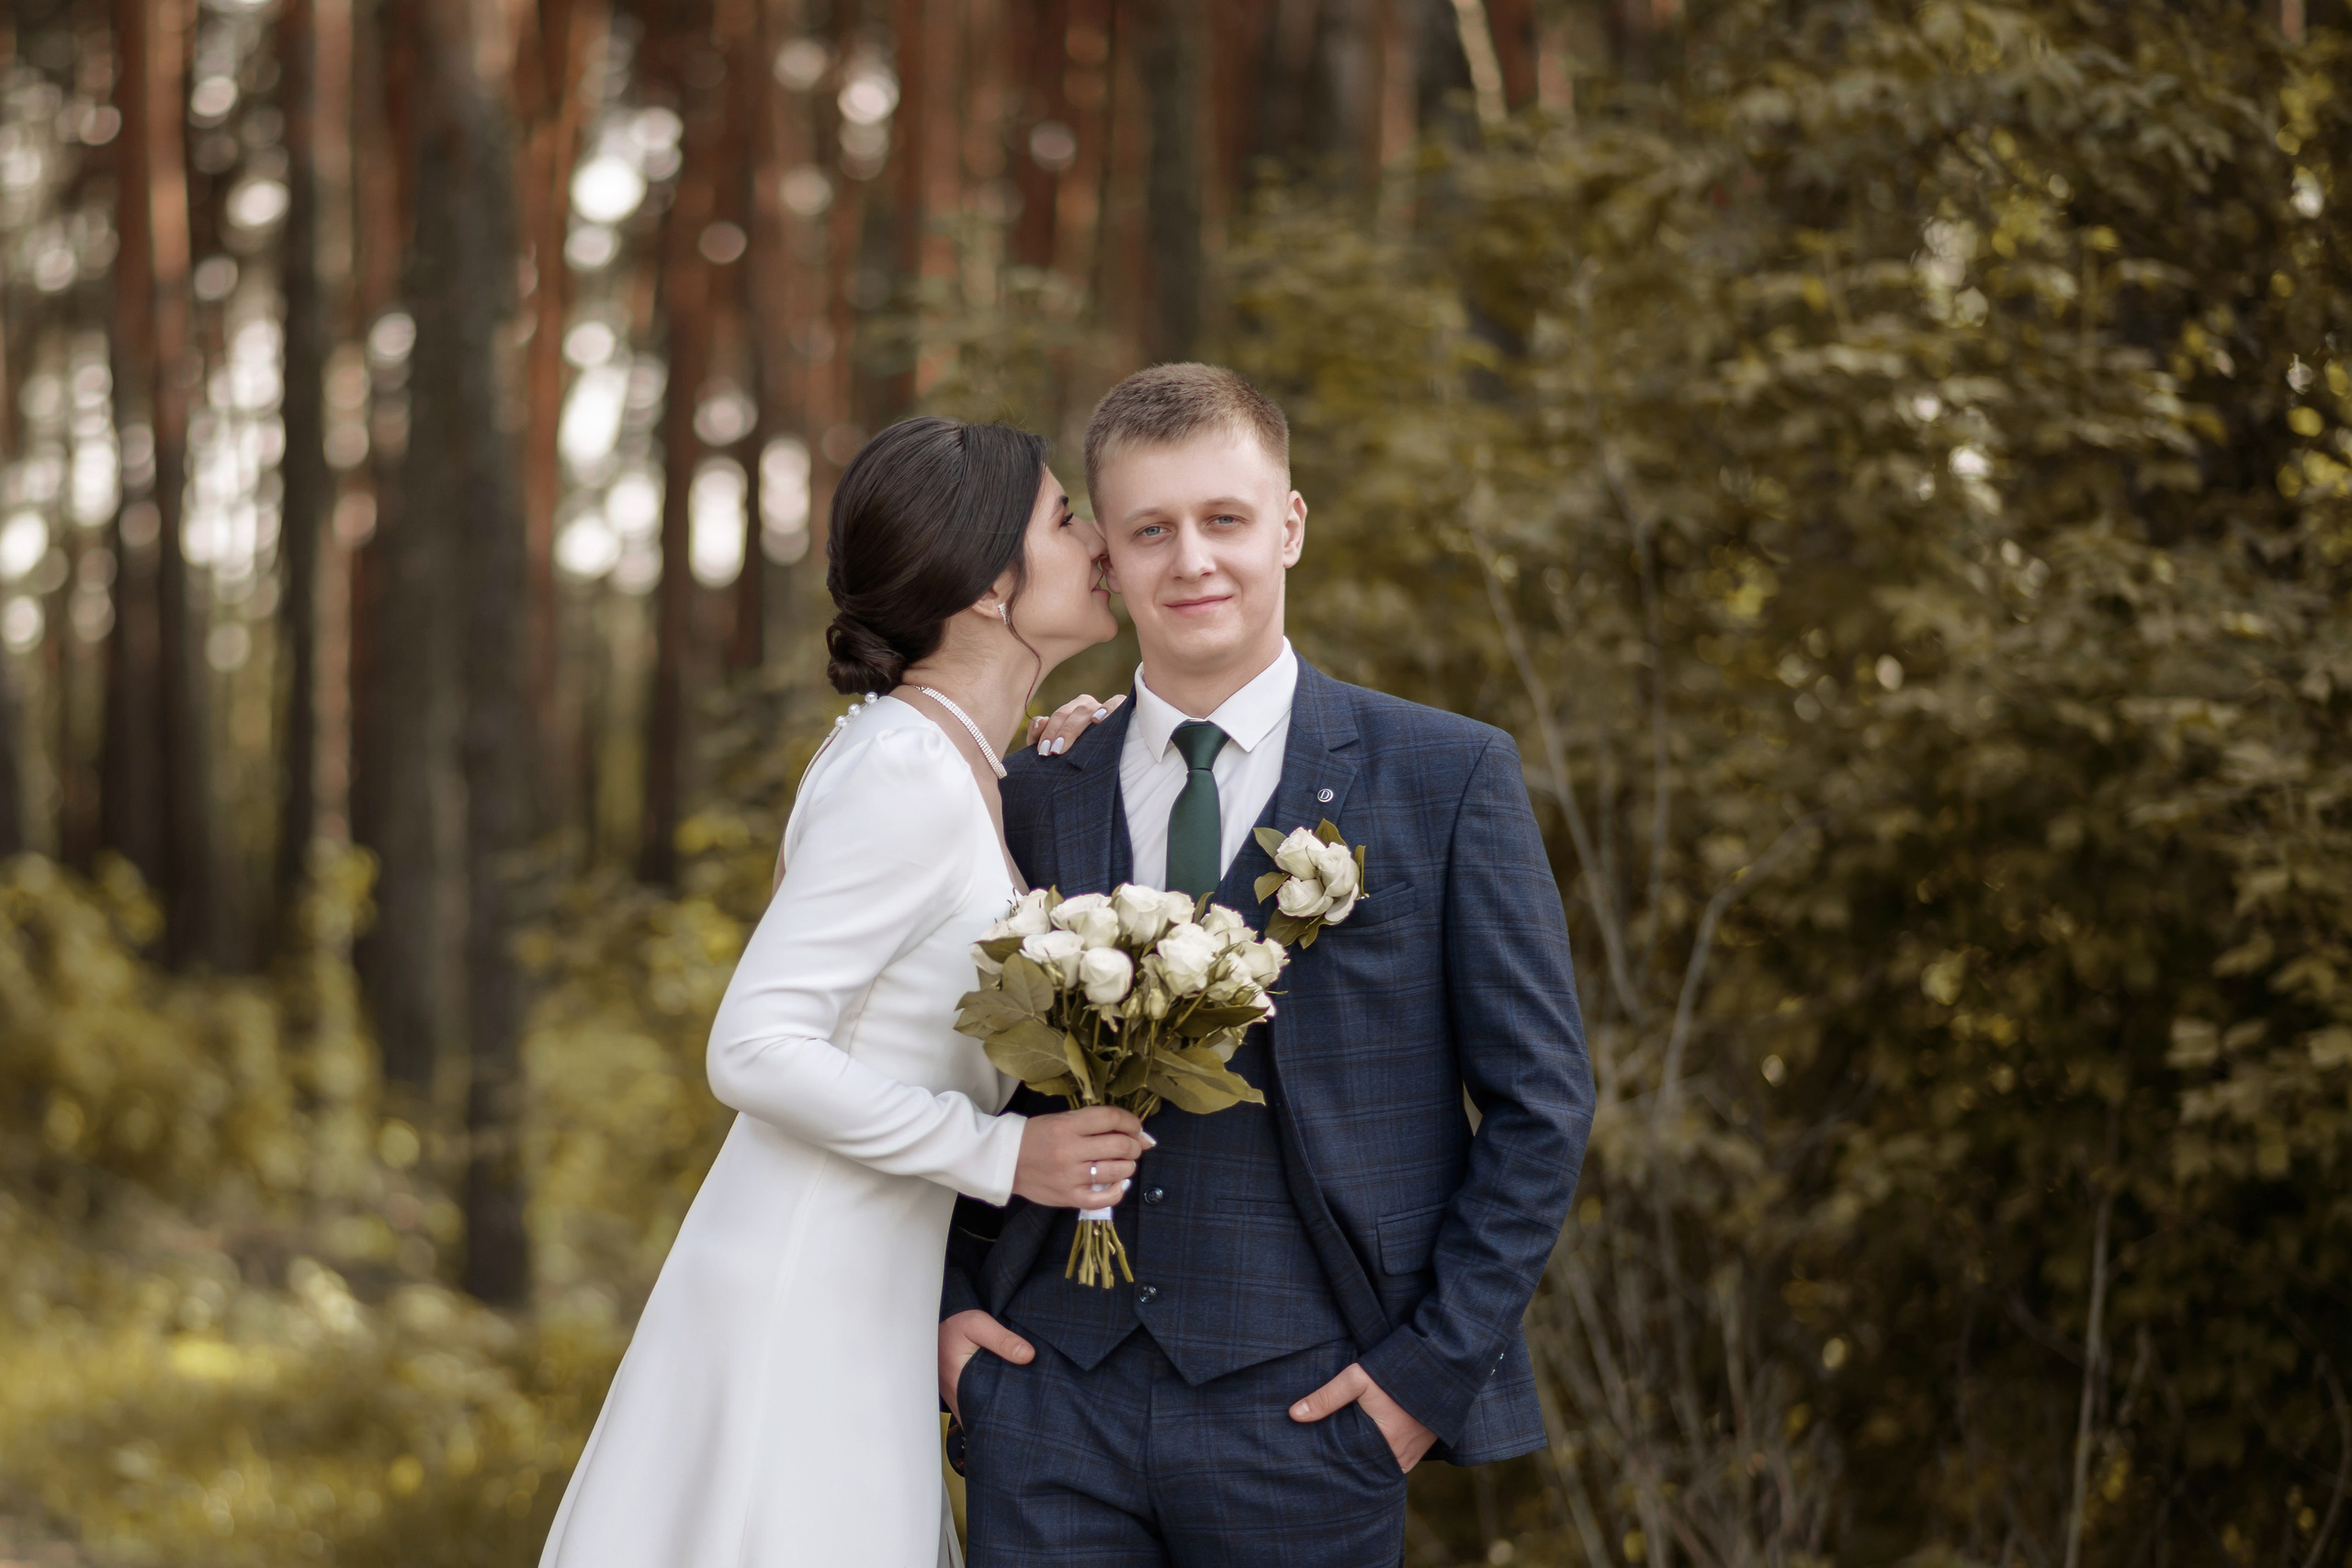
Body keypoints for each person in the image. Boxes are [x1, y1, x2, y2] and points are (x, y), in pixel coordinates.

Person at [940, 365, 1596, 1567]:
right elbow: (927, 1066)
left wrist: (1421, 1377)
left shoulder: (1444, 776)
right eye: (1151, 528)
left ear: (1288, 525)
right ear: (1110, 559)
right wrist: (947, 1323)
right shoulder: (1025, 792)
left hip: (1314, 1413)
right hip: (1046, 1403)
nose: (1191, 559)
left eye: (1224, 519)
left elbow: (1542, 1103)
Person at [539, 417, 1150, 1568]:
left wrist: (1072, 765)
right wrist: (1002, 1157)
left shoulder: (948, 758)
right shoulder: (904, 772)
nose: (1099, 543)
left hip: (864, 1287)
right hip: (802, 1288)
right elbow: (755, 1046)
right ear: (983, 584)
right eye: (1066, 520)